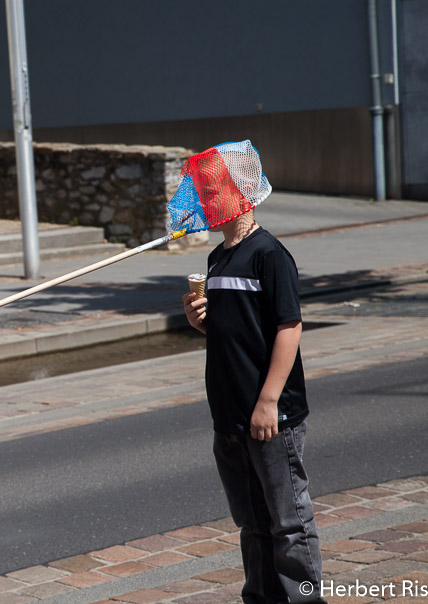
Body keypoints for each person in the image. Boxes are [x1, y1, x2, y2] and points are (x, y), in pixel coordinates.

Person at [179, 142, 325, 603]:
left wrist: (268, 403)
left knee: (288, 520)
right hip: (229, 411)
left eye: (211, 190)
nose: (205, 201)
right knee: (251, 521)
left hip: (269, 414)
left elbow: (289, 326)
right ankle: (260, 597)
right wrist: (199, 321)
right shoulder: (217, 258)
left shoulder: (269, 254)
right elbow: (232, 330)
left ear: (238, 192)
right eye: (202, 191)